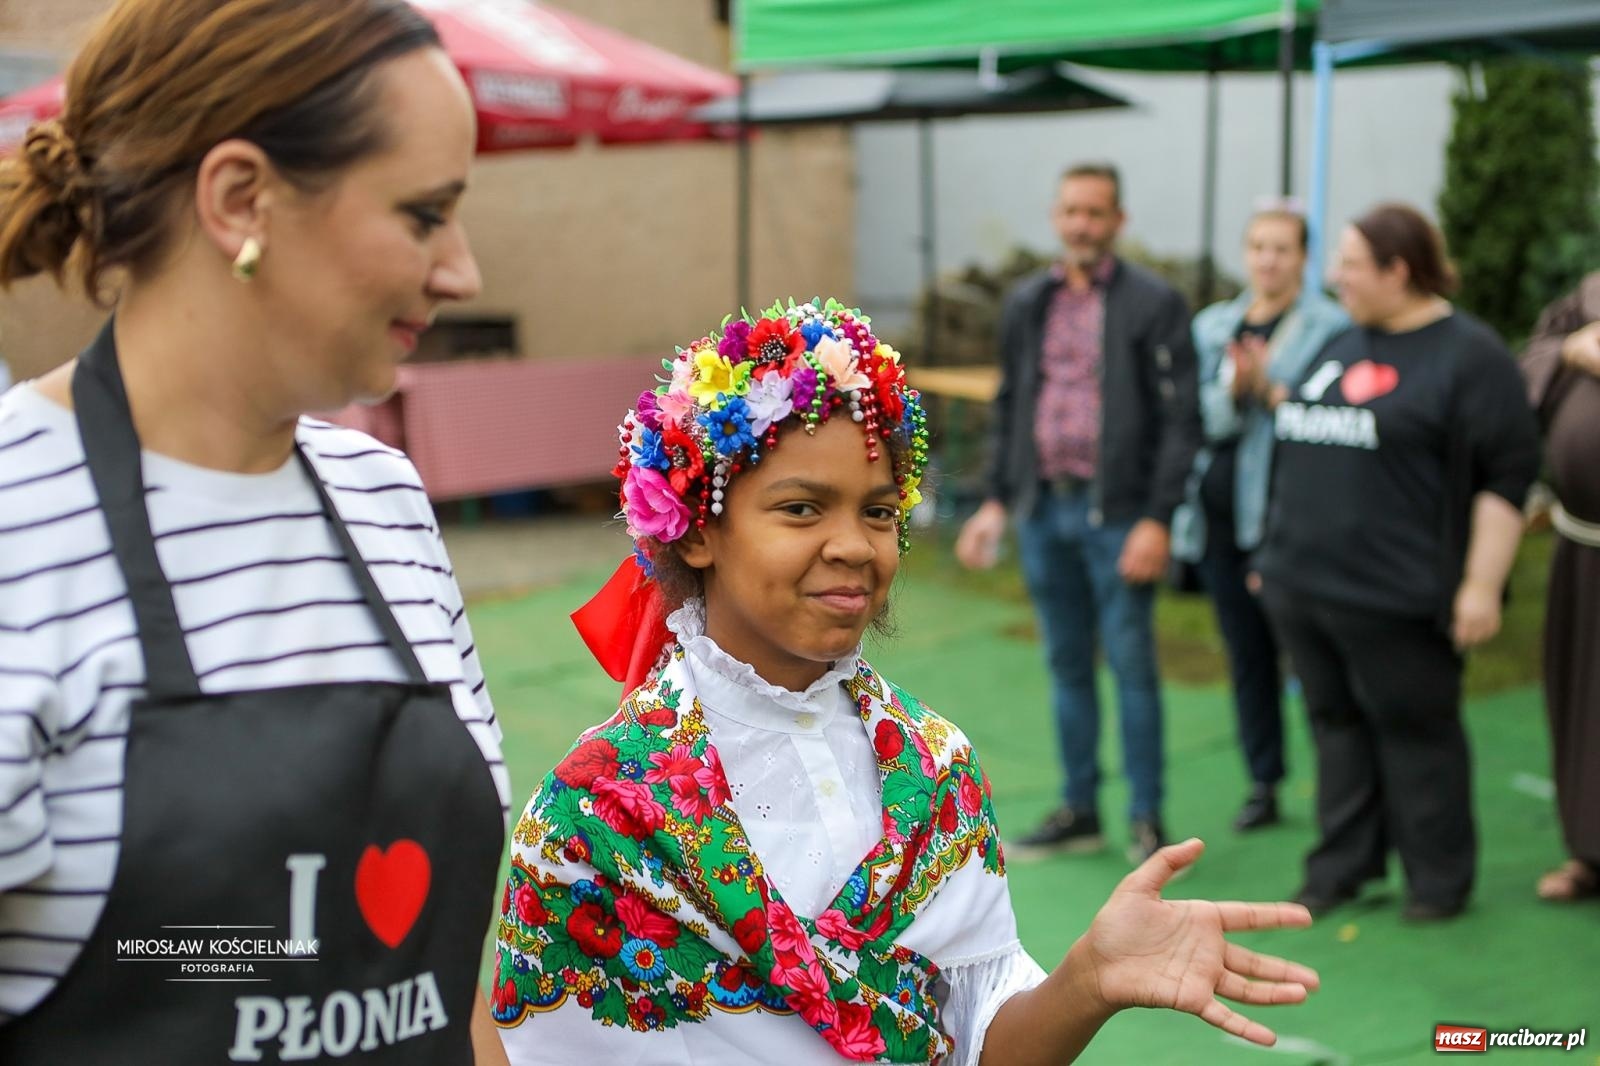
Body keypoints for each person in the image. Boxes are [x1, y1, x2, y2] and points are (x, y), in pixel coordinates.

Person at [491, 298, 1317, 1065]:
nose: (856, 545)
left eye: (880, 512)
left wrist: (1087, 979)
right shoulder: (593, 817)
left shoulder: (933, 768)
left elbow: (980, 1043)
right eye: (802, 509)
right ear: (698, 530)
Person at [0, 1, 511, 1061]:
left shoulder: (386, 501)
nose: (464, 272)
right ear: (241, 199)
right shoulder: (18, 530)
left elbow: (435, 971)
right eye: (424, 214)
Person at [1255, 204, 1540, 923]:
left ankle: (1437, 880)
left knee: (1418, 734)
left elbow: (1507, 477)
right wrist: (1273, 553)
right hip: (1306, 587)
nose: (1335, 277)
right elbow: (1298, 443)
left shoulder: (1470, 356)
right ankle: (1343, 866)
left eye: (1351, 264)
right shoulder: (1343, 342)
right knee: (1335, 726)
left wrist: (1481, 583)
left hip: (1398, 596)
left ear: (1398, 270)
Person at [954, 162, 1201, 863]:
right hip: (1043, 512)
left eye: (1095, 213)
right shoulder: (1029, 302)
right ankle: (1080, 808)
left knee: (1131, 665)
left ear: (1118, 222)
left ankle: (1148, 818)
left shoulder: (1155, 302)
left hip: (1120, 518)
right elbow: (1012, 404)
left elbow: (1184, 421)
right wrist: (997, 500)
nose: (1081, 225)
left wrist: (1158, 517)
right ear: (1055, 217)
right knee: (1066, 665)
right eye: (1071, 212)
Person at [1170, 206, 1349, 832]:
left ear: (1303, 256)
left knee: (1313, 653)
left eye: (1281, 248)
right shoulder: (1215, 324)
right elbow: (1205, 415)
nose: (1268, 260)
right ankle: (1264, 781)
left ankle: (1342, 786)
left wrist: (1272, 389)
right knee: (1247, 653)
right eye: (1257, 247)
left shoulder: (1332, 326)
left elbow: (1328, 414)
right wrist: (1238, 390)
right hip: (1221, 519)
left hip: (1292, 515)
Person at [1520, 271, 1600, 904]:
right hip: (1582, 546)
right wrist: (1575, 348)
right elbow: (1533, 359)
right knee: (1581, 700)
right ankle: (1590, 850)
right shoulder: (1590, 293)